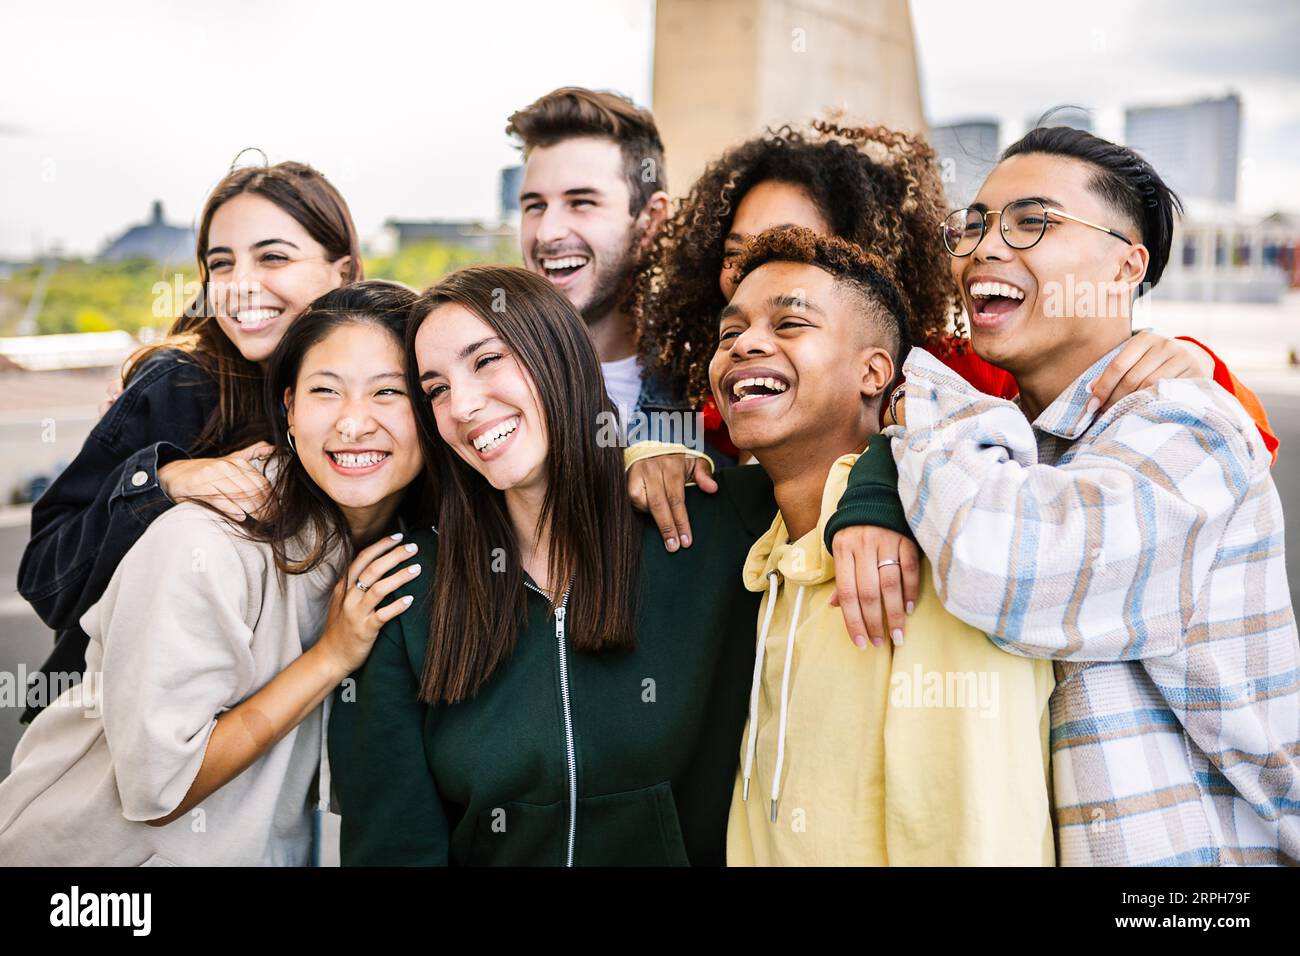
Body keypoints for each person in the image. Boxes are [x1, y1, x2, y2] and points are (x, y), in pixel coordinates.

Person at [627, 119, 1277, 648]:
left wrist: (1199, 362)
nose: (758, 272)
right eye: (738, 253)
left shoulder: (950, 373)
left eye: (798, 248)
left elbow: (1214, 430)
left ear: (867, 267)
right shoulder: (737, 374)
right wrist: (651, 445)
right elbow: (682, 412)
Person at [328, 265, 894, 865]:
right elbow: (393, 845)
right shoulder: (406, 590)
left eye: (487, 360)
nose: (463, 405)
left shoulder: (713, 525)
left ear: (561, 358)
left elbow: (877, 450)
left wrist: (876, 498)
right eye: (436, 388)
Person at [852, 127, 1300, 866]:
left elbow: (1006, 567)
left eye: (1034, 222)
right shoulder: (1021, 437)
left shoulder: (1187, 424)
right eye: (974, 225)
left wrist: (919, 395)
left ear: (1127, 265)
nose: (986, 249)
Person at [0, 282, 426, 865]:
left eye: (388, 392)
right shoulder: (204, 543)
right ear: (289, 412)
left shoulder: (399, 545)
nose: (354, 423)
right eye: (326, 391)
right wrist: (330, 657)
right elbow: (161, 786)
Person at [16, 158, 363, 723]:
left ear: (342, 272)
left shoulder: (376, 385)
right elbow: (45, 577)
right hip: (128, 738)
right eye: (220, 264)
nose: (240, 286)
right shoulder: (180, 385)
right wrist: (161, 482)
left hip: (284, 753)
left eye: (273, 256)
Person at [507, 87, 730, 464]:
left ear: (649, 221)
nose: (547, 233)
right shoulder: (483, 386)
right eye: (535, 206)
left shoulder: (713, 391)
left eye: (581, 203)